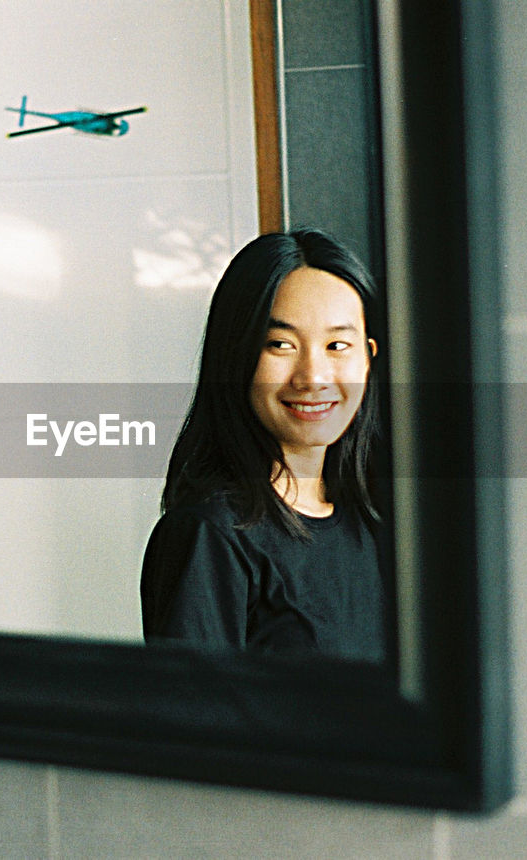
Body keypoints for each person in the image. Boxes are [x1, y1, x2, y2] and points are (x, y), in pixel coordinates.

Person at [140, 228, 391, 663]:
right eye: (281, 345)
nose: (313, 376)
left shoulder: (379, 518)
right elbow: (196, 722)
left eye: (337, 345)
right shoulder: (211, 535)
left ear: (368, 356)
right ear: (236, 357)